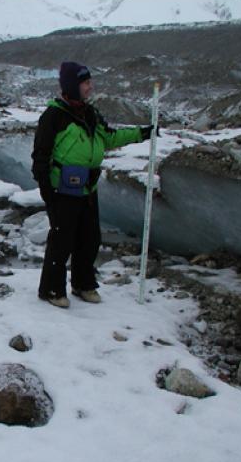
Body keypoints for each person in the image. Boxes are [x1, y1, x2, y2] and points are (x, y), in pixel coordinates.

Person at [31, 61, 156, 309]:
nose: (90, 87)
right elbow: (40, 156)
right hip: (62, 189)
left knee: (89, 238)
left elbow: (109, 137)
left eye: (89, 82)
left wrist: (141, 134)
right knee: (62, 240)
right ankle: (52, 289)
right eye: (86, 83)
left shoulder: (90, 113)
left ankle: (83, 284)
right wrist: (47, 190)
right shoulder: (54, 116)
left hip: (88, 188)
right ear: (72, 86)